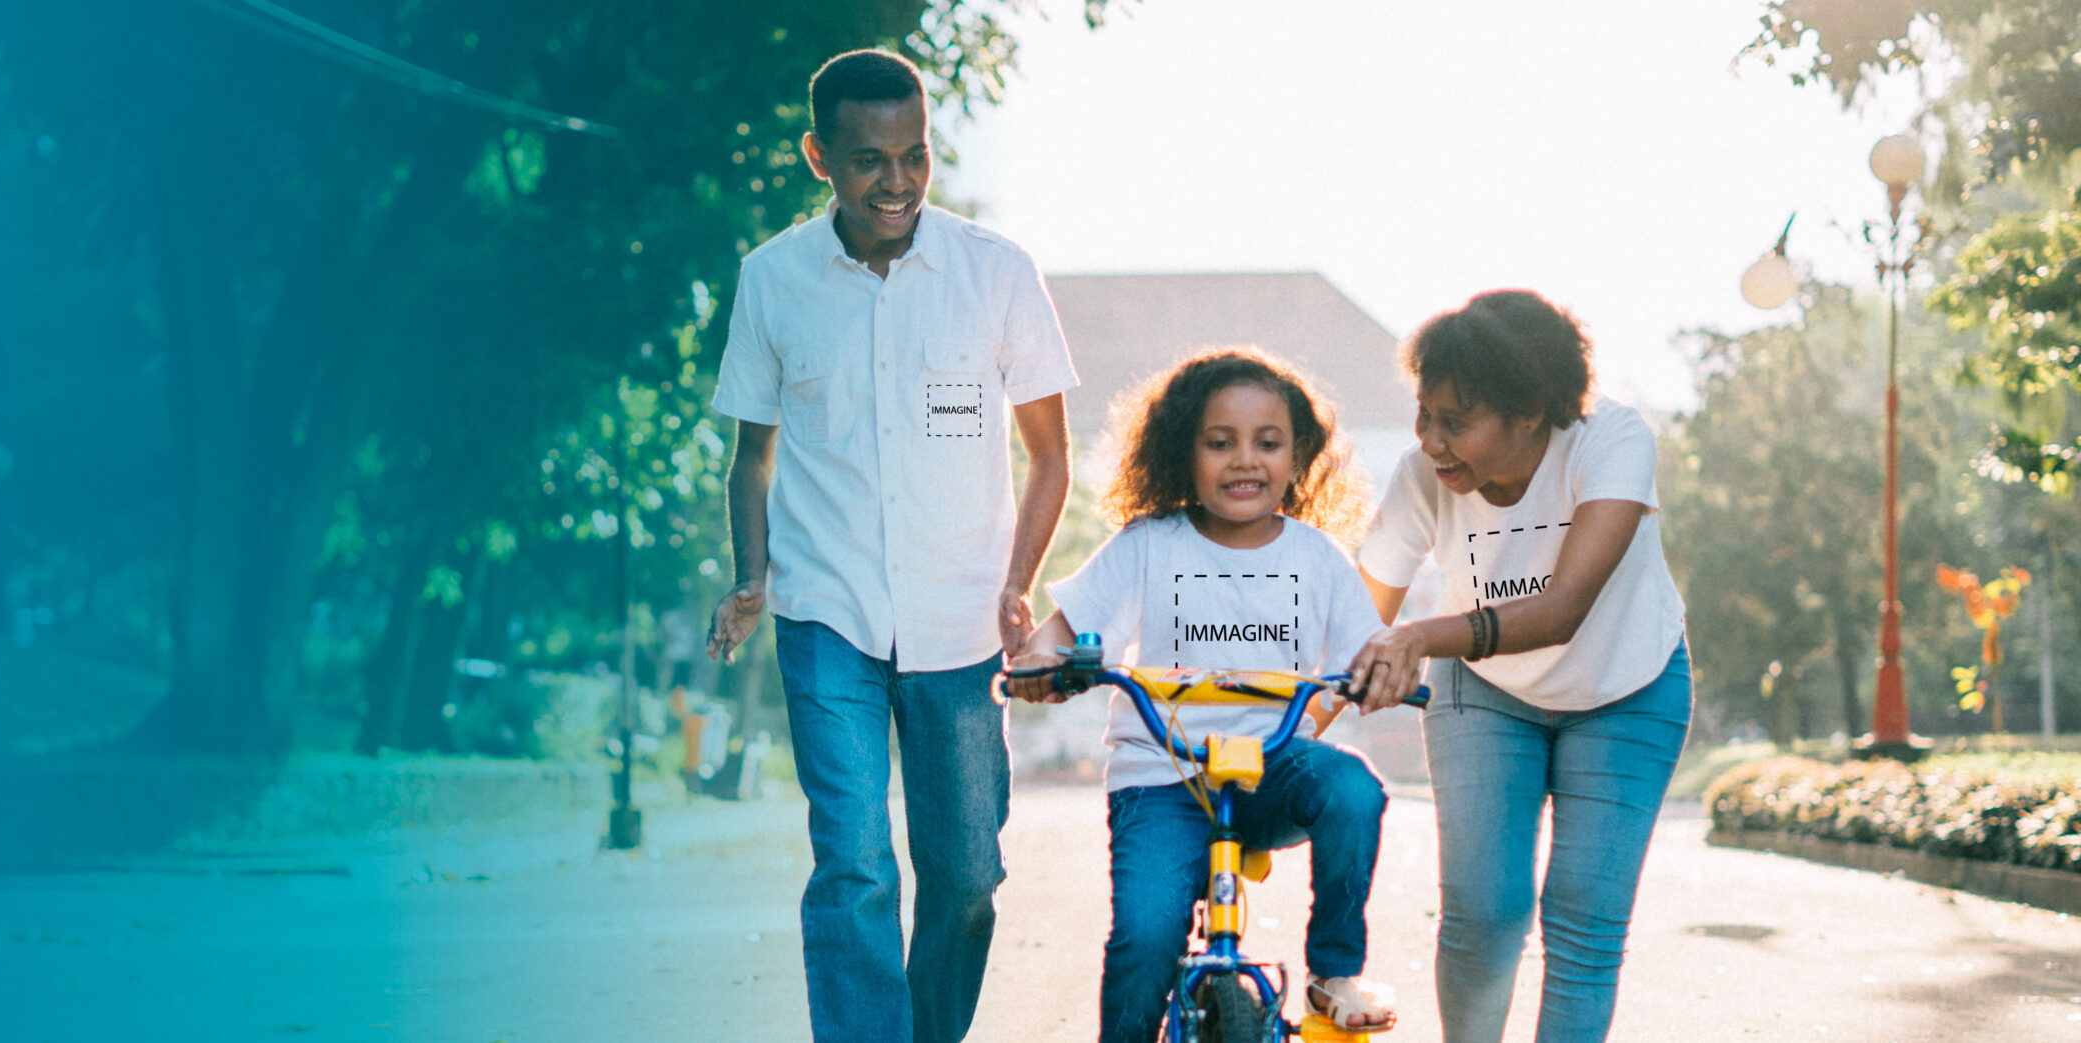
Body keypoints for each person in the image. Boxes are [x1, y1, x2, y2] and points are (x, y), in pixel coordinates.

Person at [702, 48, 1078, 1043]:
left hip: (960, 621)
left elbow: (1049, 457)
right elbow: (752, 457)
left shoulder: (994, 274)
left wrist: (1015, 585)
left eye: (914, 154)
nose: (899, 182)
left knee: (963, 878)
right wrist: (751, 576)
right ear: (819, 155)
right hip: (827, 613)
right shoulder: (773, 279)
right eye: (870, 160)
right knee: (857, 859)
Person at [1005, 348, 1400, 1041]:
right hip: (1162, 774)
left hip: (1273, 768)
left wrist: (1378, 675)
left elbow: (1367, 651)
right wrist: (1041, 660)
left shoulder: (1318, 558)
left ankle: (1332, 974)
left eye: (1267, 443)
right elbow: (1060, 633)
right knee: (1145, 934)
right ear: (1181, 452)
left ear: (1298, 454)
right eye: (1220, 443)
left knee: (1354, 788)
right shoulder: (1147, 546)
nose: (1244, 460)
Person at [1343, 290, 1692, 1043]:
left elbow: (1564, 607)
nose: (1431, 441)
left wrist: (1420, 636)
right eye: (1423, 414)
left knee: (1584, 917)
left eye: (1455, 421)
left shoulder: (1612, 443)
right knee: (1483, 908)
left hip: (1626, 690)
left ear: (1529, 411)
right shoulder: (1419, 477)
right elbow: (1356, 624)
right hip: (1485, 691)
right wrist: (1280, 718)